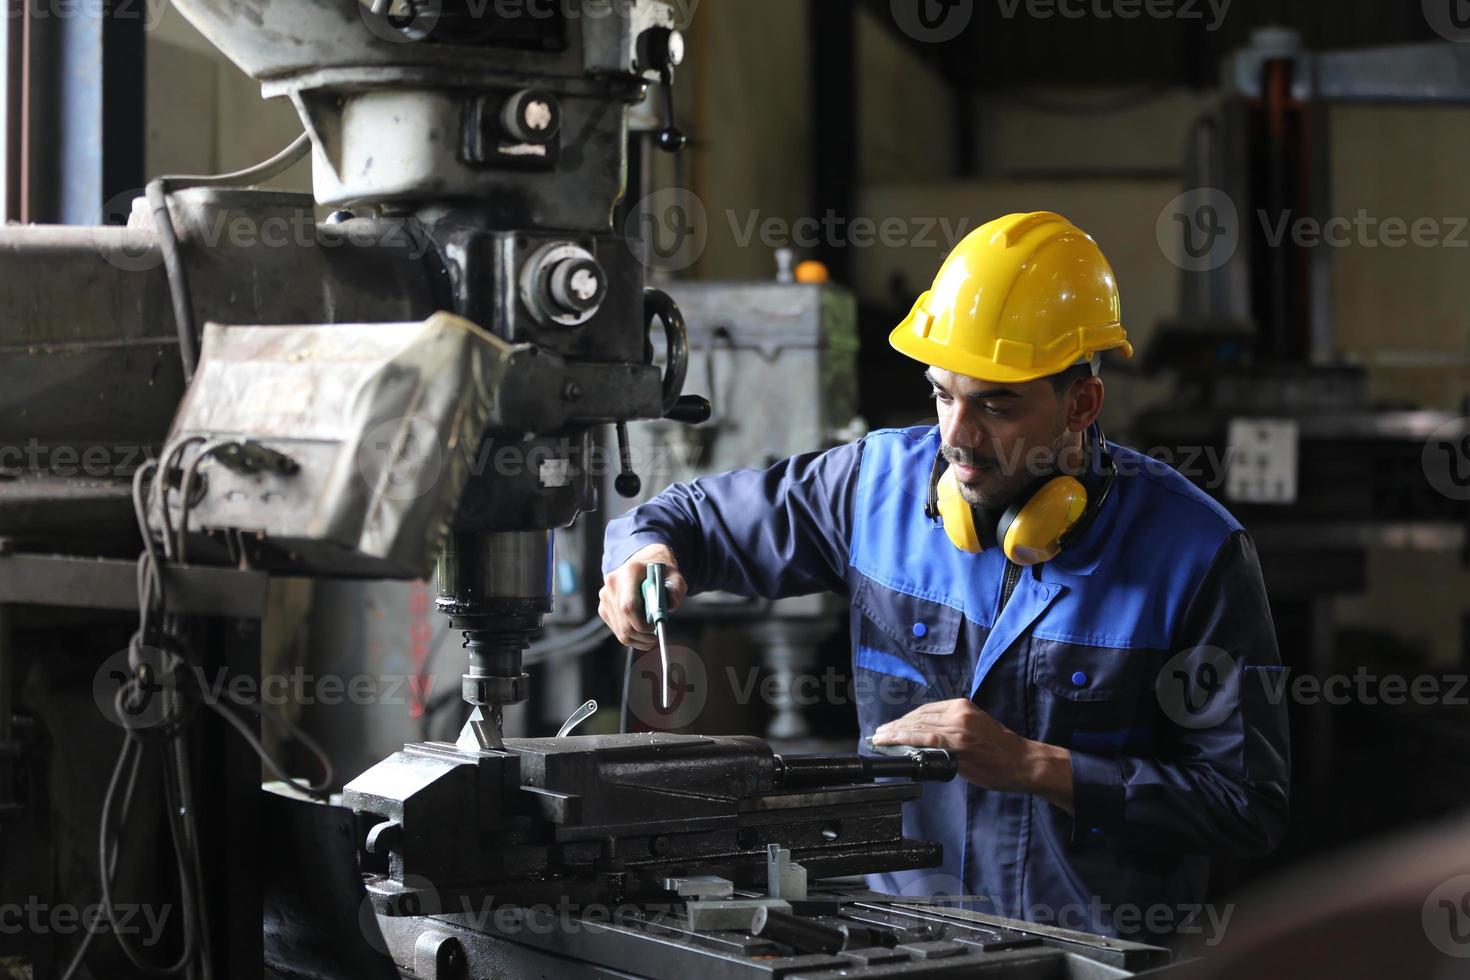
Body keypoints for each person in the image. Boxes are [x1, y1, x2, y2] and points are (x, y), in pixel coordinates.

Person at [598, 211, 1290, 940]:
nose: (957, 435)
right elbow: (690, 518)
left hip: (1095, 958)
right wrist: (645, 554)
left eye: (996, 403)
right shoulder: (873, 490)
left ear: (1081, 404)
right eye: (943, 394)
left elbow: (1245, 805)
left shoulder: (1195, 553)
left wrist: (1034, 765)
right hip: (907, 946)